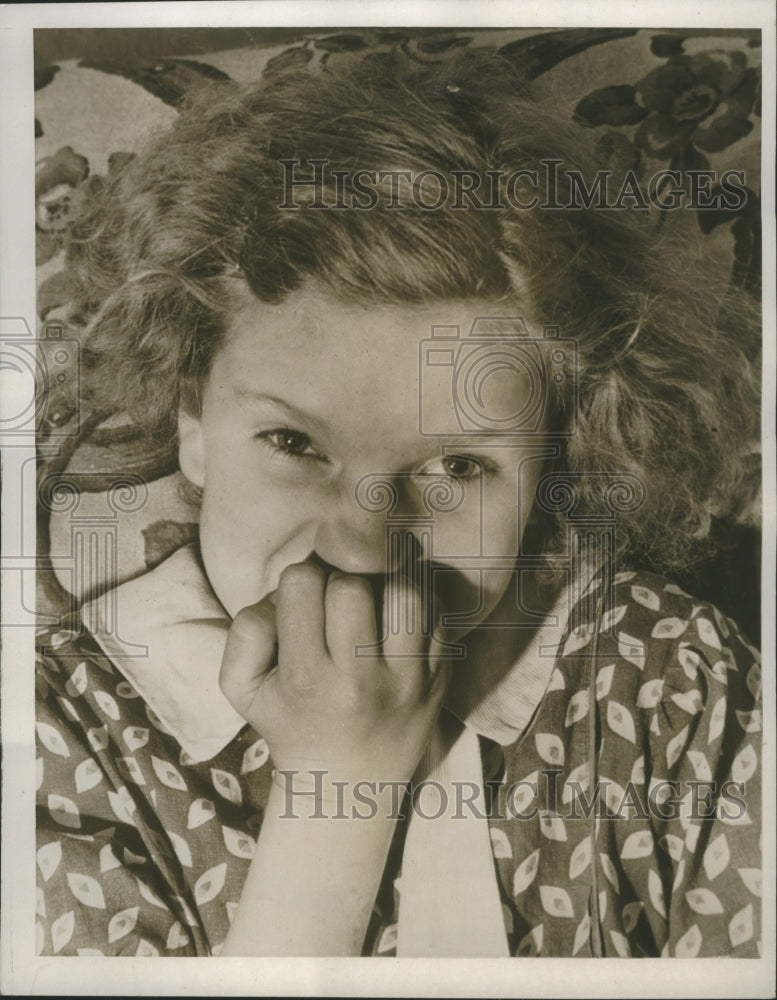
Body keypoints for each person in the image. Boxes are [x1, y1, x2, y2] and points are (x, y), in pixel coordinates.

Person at [35, 48, 762, 958]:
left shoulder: (670, 679)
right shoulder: (58, 731)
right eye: (294, 445)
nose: (366, 547)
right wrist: (344, 782)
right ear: (192, 425)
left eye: (457, 467)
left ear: (552, 462)